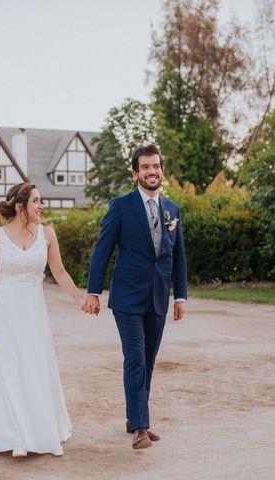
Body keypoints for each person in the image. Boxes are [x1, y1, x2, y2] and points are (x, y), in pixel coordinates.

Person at [83, 144, 188, 450]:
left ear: (161, 170)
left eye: (155, 166)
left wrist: (180, 295)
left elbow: (177, 256)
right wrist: (93, 291)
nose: (151, 171)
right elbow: (102, 250)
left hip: (158, 297)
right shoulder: (120, 206)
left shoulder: (173, 210)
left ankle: (133, 417)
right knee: (136, 358)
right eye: (145, 167)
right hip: (127, 298)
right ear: (135, 173)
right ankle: (141, 427)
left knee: (149, 360)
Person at [0, 182, 85, 457]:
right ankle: (16, 435)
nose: (41, 206)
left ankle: (39, 426)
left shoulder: (47, 234)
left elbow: (58, 272)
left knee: (34, 367)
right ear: (20, 207)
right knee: (10, 369)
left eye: (40, 201)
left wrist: (78, 298)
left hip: (34, 314)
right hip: (4, 314)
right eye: (36, 201)